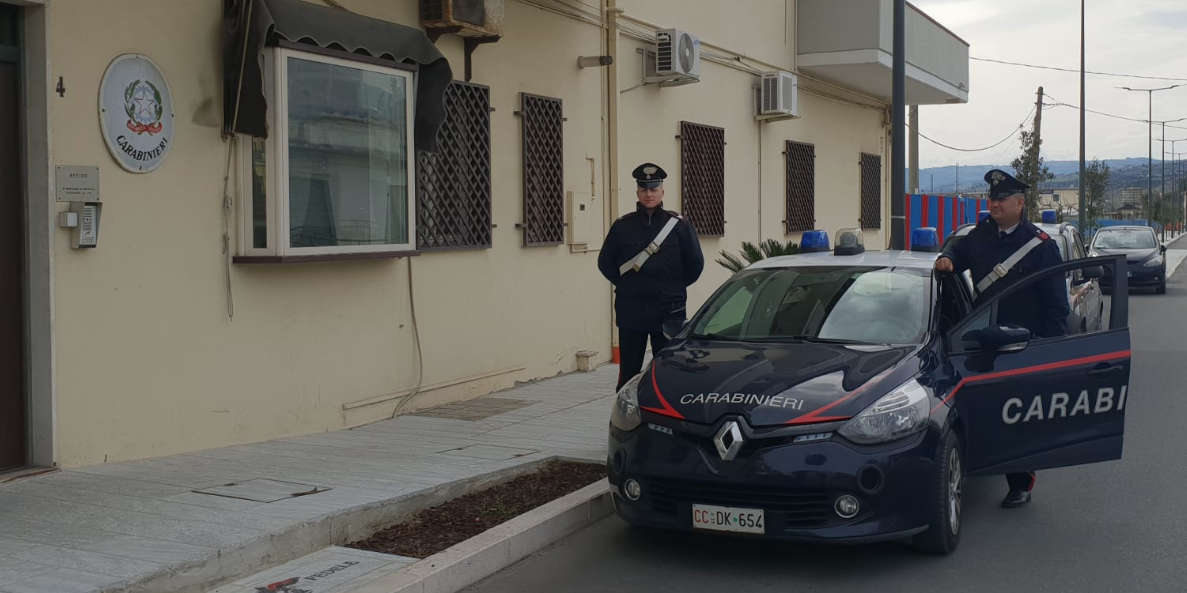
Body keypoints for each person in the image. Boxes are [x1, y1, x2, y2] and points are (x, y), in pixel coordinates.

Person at [935, 168, 1071, 509]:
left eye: (1000, 199)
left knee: (1017, 416)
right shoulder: (980, 236)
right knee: (984, 410)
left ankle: (1020, 481)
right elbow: (957, 253)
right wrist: (947, 259)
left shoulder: (1040, 247)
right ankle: (980, 466)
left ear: (1020, 203)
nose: (993, 204)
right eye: (991, 198)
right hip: (981, 342)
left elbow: (1056, 306)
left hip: (1020, 343)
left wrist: (1049, 349)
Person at [598, 163, 705, 391]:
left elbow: (695, 264)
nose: (649, 194)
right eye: (644, 189)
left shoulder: (679, 226)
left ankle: (663, 418)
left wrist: (672, 287)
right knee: (628, 372)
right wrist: (629, 285)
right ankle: (627, 417)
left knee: (668, 370)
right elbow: (606, 263)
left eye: (654, 189)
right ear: (637, 192)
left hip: (668, 309)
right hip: (632, 309)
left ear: (662, 192)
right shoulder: (622, 226)